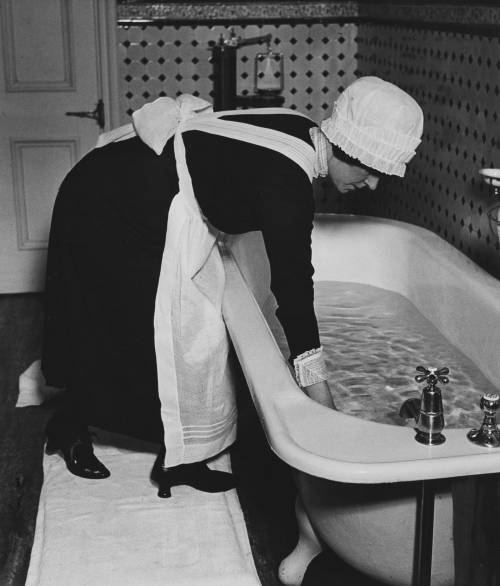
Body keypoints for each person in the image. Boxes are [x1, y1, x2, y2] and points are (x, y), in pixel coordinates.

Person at [41, 76, 423, 497]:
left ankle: (179, 457)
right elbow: (294, 292)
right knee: (123, 323)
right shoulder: (288, 187)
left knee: (191, 333)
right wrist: (322, 400)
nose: (373, 185)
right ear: (346, 145)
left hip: (144, 190)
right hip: (107, 200)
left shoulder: (301, 126)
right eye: (370, 168)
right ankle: (70, 424)